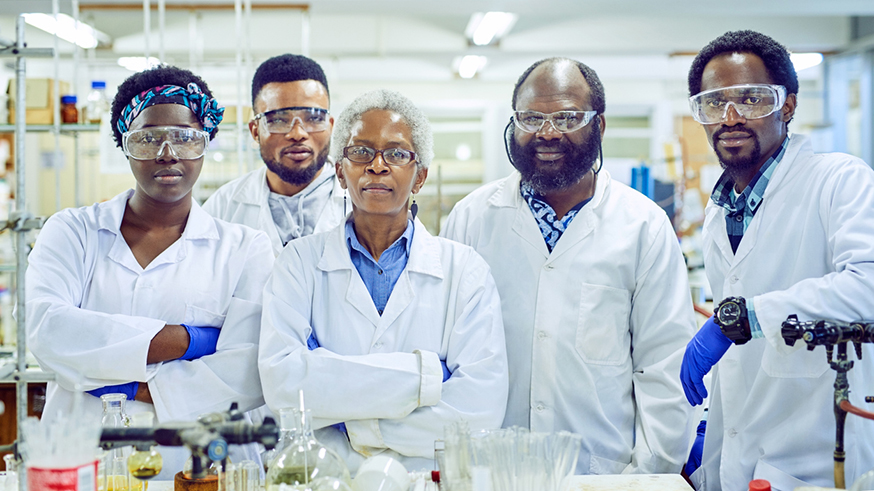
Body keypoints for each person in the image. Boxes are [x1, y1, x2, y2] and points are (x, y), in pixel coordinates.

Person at [441, 58, 695, 474]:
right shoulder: (470, 219)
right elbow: (446, 354)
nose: (547, 132)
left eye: (567, 117)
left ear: (600, 126)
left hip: (604, 473)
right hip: (491, 468)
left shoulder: (643, 226)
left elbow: (664, 368)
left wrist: (647, 476)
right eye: (532, 117)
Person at [26, 66, 274, 477]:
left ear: (205, 142)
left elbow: (247, 370)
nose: (167, 153)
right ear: (124, 145)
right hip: (86, 458)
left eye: (185, 137)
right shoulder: (72, 231)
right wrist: (191, 340)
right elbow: (47, 329)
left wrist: (113, 382)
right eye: (146, 138)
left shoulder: (245, 248)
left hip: (198, 462)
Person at [258, 89, 509, 472]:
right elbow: (284, 387)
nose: (377, 165)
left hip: (426, 479)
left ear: (420, 176)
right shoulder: (298, 263)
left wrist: (352, 420)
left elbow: (479, 409)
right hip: (328, 479)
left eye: (396, 153)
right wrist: (428, 378)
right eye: (360, 152)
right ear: (341, 172)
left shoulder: (466, 271)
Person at [680, 30, 874, 491]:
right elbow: (742, 359)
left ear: (787, 106)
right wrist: (709, 436)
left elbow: (868, 284)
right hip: (739, 462)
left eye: (751, 99)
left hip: (821, 461)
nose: (730, 118)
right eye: (713, 103)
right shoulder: (720, 210)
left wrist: (746, 315)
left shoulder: (840, 181)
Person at [203, 53, 345, 255]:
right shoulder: (223, 208)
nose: (298, 133)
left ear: (330, 126)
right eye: (278, 120)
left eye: (313, 118)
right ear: (255, 131)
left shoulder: (362, 203)